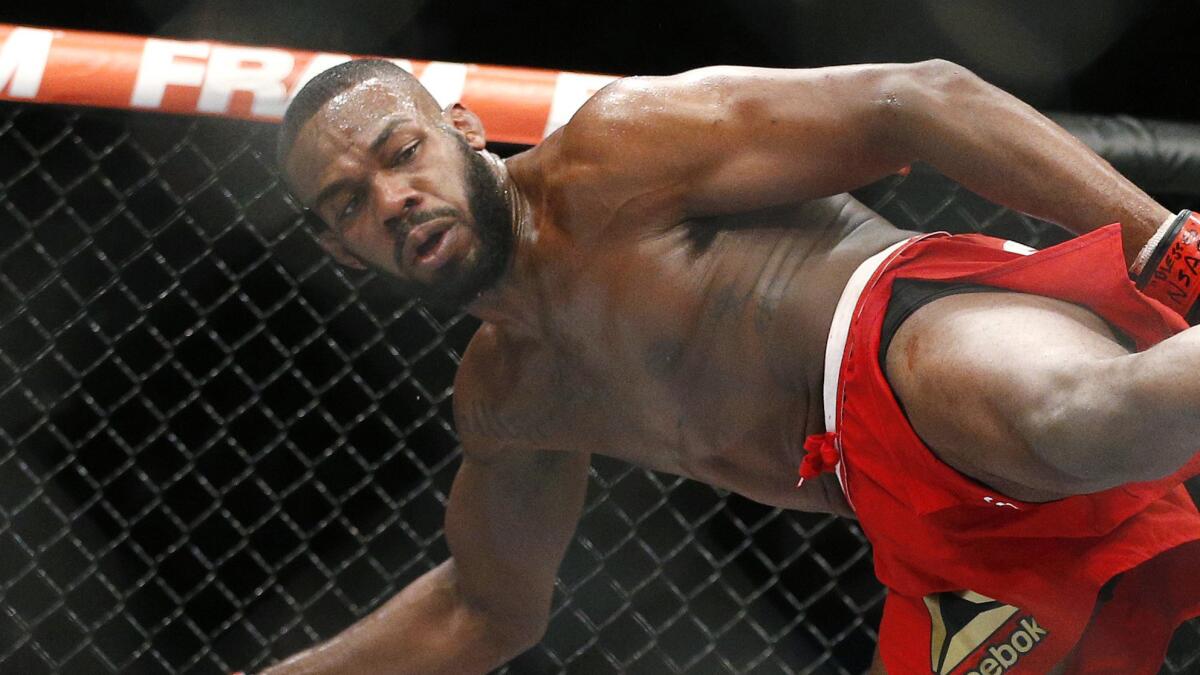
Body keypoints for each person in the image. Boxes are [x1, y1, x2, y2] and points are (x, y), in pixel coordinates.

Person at [262, 57, 1200, 674]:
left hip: (899, 333)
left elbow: (913, 99)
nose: (391, 199)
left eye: (402, 152)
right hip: (926, 535)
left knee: (1077, 412)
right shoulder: (511, 397)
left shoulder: (617, 149)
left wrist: (1165, 243)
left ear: (464, 130)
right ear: (342, 250)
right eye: (348, 203)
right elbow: (481, 609)